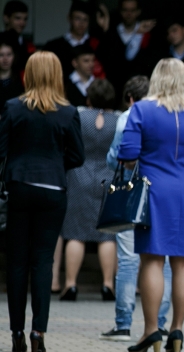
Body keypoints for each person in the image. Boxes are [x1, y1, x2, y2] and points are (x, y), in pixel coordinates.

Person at [118, 58, 184, 352]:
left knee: (152, 260)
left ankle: (150, 331)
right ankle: (177, 330)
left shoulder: (142, 110)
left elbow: (128, 153)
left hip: (153, 188)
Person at [1, 51, 85, 352]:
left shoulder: (13, 108)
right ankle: (39, 332)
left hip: (20, 186)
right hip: (53, 189)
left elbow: (1, 152)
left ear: (29, 74)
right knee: (43, 261)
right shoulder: (67, 112)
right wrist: (54, 162)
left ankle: (17, 333)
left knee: (17, 262)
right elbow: (78, 156)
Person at [100, 75, 173, 341]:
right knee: (161, 259)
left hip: (133, 194)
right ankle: (160, 323)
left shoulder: (127, 117)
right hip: (161, 193)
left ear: (130, 98)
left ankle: (123, 324)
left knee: (129, 260)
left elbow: (115, 159)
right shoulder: (167, 114)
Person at [59, 79, 119, 302]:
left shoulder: (78, 116)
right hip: (109, 176)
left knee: (75, 233)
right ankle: (107, 285)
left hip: (79, 176)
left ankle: (70, 284)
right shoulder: (119, 119)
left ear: (89, 97)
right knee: (107, 235)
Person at [96, 0, 157, 100]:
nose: (129, 14)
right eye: (125, 10)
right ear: (120, 11)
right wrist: (106, 31)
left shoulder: (148, 33)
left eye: (132, 10)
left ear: (138, 11)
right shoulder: (112, 32)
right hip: (115, 92)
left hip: (140, 93)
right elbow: (106, 60)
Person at [43, 1, 105, 80]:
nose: (81, 23)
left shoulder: (97, 45)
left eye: (85, 20)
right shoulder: (54, 46)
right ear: (69, 18)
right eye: (77, 18)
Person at [0, 1, 34, 73]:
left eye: (25, 19)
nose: (22, 23)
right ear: (6, 18)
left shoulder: (27, 43)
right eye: (17, 18)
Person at [0, 40, 23, 108]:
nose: (5, 59)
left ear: (14, 56)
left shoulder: (22, 78)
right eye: (1, 55)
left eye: (9, 54)